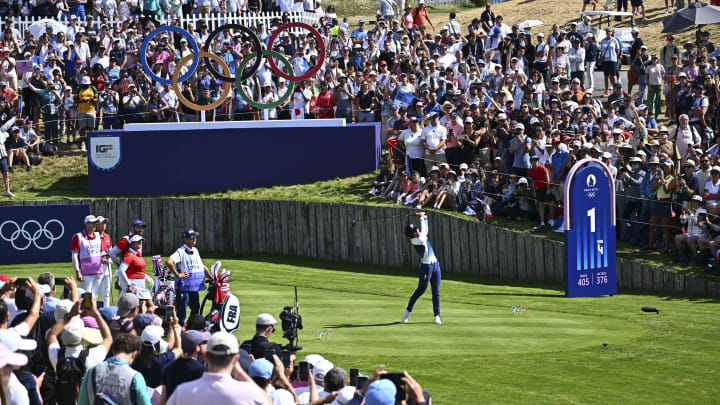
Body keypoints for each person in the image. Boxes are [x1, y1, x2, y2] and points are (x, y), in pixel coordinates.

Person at [166, 332, 270, 405]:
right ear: (235, 360)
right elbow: (267, 401)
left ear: (206, 357)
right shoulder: (249, 392)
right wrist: (240, 373)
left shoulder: (182, 391)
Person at [47, 299, 113, 405]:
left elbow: (52, 334)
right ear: (82, 339)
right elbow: (108, 338)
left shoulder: (57, 355)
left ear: (63, 340)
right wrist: (96, 313)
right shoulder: (91, 357)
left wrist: (69, 315)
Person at [78, 334, 152, 405]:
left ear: (113, 350)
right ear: (134, 354)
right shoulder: (135, 377)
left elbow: (82, 402)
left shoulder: (91, 372)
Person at [402, 212, 442, 325]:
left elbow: (425, 230)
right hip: (426, 267)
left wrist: (425, 218)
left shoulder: (419, 236)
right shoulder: (417, 240)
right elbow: (424, 232)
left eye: (417, 229)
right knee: (421, 290)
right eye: (415, 231)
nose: (418, 231)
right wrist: (421, 218)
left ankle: (437, 316)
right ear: (412, 235)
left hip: (435, 265)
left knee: (436, 292)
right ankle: (408, 310)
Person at [166, 229, 211, 326]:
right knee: (182, 314)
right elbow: (169, 262)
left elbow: (202, 267)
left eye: (195, 237)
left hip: (193, 288)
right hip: (183, 288)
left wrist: (212, 278)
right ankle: (180, 335)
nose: (194, 239)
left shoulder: (195, 250)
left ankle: (191, 329)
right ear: (185, 239)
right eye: (192, 237)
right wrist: (178, 274)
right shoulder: (180, 252)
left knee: (196, 310)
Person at [160, 330, 210, 404]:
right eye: (204, 343)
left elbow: (163, 397)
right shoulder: (201, 370)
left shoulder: (170, 367)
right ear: (197, 348)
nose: (206, 345)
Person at [131, 316, 183, 388]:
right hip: (158, 394)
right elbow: (179, 348)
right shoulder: (163, 359)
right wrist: (174, 327)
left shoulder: (134, 357)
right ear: (157, 343)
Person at [71, 215, 105, 296]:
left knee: (95, 295)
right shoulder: (78, 237)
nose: (94, 225)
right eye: (92, 223)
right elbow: (74, 255)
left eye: (95, 223)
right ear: (86, 224)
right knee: (85, 296)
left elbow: (101, 251)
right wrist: (77, 271)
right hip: (85, 273)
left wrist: (104, 257)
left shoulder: (98, 236)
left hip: (98, 271)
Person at [118, 235, 151, 300]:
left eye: (141, 241)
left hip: (141, 284)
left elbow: (139, 270)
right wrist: (128, 284)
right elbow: (121, 270)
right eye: (138, 241)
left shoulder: (137, 254)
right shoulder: (129, 255)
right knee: (147, 305)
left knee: (145, 305)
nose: (140, 242)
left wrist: (147, 277)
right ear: (132, 243)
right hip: (134, 284)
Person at [95, 216, 113, 306]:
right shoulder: (93, 236)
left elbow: (110, 249)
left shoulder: (107, 236)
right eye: (101, 223)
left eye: (104, 223)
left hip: (107, 266)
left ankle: (106, 310)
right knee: (95, 292)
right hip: (97, 266)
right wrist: (100, 259)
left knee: (106, 292)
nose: (104, 225)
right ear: (96, 225)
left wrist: (110, 256)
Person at [0, 115, 17, 197]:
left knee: (5, 173)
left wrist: (15, 117)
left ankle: (7, 191)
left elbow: (8, 124)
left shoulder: (1, 130)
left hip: (2, 156)